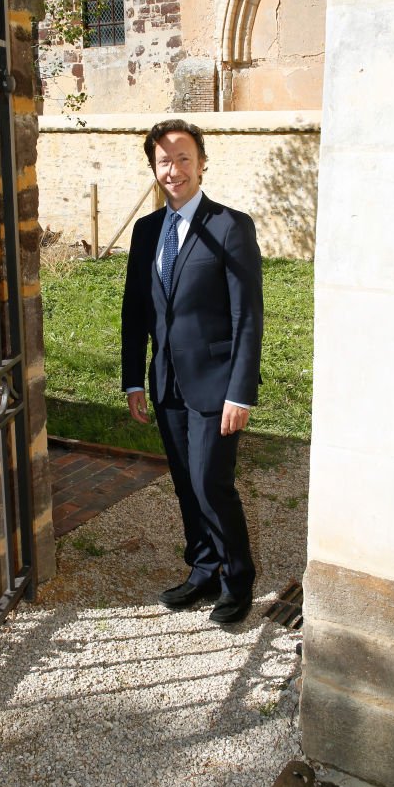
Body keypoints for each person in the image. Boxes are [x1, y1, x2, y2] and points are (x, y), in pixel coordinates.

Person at [121, 119, 263, 624]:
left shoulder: (231, 226)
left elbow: (248, 315)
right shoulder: (146, 232)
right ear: (154, 169)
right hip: (166, 383)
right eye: (164, 161)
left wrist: (240, 391)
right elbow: (135, 309)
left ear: (202, 162)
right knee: (184, 481)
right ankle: (203, 570)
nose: (174, 169)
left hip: (217, 382)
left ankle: (237, 577)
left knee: (210, 481)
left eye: (184, 158)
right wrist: (135, 378)